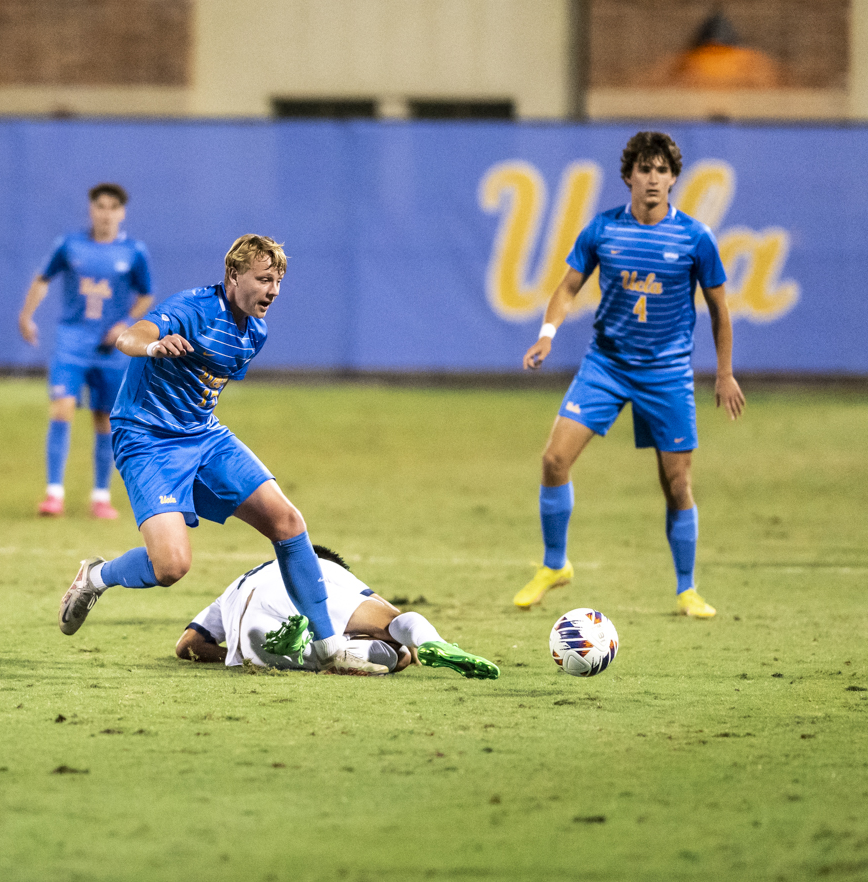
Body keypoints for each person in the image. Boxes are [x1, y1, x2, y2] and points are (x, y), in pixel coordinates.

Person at [56, 234, 387, 675]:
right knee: (171, 566)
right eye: (263, 278)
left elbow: (206, 385)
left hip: (204, 436)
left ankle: (330, 646)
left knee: (287, 522)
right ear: (233, 275)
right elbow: (130, 336)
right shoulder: (193, 309)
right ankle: (95, 577)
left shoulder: (255, 332)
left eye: (278, 280)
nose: (272, 290)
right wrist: (153, 346)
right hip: (147, 440)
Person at [516, 130, 745, 618]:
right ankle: (555, 565)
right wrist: (547, 333)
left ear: (674, 178)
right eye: (645, 169)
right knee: (554, 459)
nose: (654, 179)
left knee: (677, 482)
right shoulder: (602, 230)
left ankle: (687, 589)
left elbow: (720, 310)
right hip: (606, 364)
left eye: (663, 170)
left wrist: (724, 373)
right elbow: (567, 286)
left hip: (666, 373)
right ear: (628, 177)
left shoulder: (695, 238)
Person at [18, 183, 154, 519]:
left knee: (105, 419)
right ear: (90, 209)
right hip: (72, 341)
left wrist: (126, 322)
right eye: (100, 206)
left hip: (111, 348)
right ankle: (54, 494)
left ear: (121, 212)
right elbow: (42, 278)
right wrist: (26, 315)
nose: (105, 213)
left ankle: (100, 496)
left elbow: (146, 295)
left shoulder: (134, 252)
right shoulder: (69, 245)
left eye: (112, 207)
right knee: (62, 407)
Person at [175, 545, 500, 679]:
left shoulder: (237, 584)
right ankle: (436, 640)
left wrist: (233, 657)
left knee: (320, 652)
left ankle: (300, 650)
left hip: (250, 626)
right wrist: (409, 648)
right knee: (399, 641)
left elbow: (187, 645)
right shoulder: (322, 566)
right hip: (305, 597)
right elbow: (390, 612)